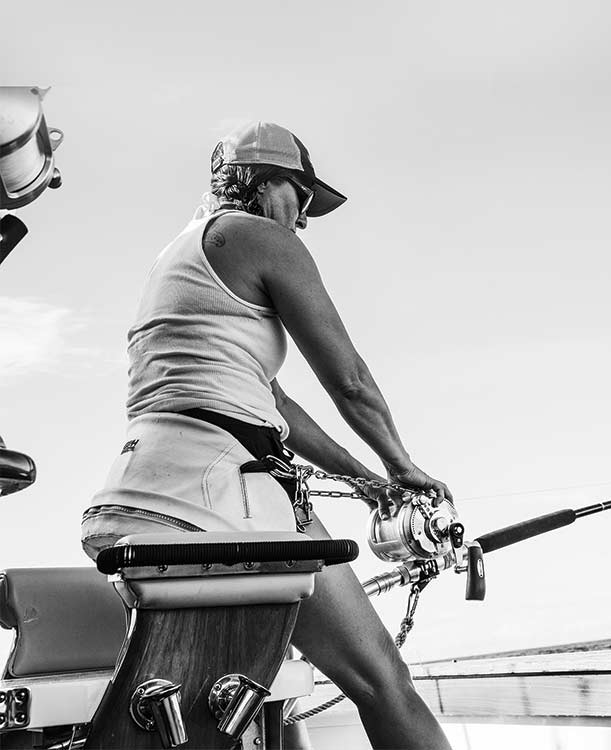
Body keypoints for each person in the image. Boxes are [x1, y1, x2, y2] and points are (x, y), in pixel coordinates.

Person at [80, 121, 453, 750]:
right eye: (301, 197)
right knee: (383, 681)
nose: (303, 221)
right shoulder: (257, 235)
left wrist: (365, 481)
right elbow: (351, 380)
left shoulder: (179, 258)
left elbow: (271, 400)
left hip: (135, 505)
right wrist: (401, 464)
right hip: (225, 505)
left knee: (194, 709)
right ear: (261, 180)